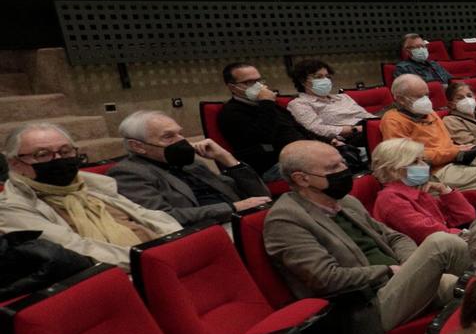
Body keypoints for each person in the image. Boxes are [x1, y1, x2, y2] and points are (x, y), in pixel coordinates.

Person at [263, 140, 471, 334]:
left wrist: (410, 266)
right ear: (302, 178)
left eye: (342, 162)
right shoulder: (286, 221)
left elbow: (395, 237)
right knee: (442, 243)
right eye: (332, 168)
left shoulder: (345, 201)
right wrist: (389, 271)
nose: (344, 170)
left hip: (398, 283)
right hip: (366, 307)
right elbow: (326, 278)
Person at [1, 123, 178, 267]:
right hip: (124, 272)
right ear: (15, 163)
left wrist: (180, 243)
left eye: (65, 151)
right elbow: (77, 249)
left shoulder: (89, 184)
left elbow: (148, 216)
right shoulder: (12, 207)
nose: (58, 159)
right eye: (43, 154)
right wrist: (155, 259)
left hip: (161, 256)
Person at [381, 75, 476, 213]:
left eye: (427, 95)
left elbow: (446, 144)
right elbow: (407, 156)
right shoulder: (392, 120)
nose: (426, 100)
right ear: (400, 99)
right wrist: (453, 151)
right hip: (433, 171)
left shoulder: (430, 114)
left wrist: (454, 150)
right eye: (419, 96)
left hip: (455, 159)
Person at [110, 109, 270, 228]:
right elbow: (163, 217)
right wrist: (233, 208)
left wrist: (226, 159)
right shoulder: (129, 173)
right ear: (138, 146)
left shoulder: (191, 164)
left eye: (180, 134)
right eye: (168, 137)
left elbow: (260, 195)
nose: (181, 141)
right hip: (207, 231)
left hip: (245, 220)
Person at [218, 61, 343, 178]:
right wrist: (266, 102)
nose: (257, 86)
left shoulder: (270, 106)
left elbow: (297, 128)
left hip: (302, 154)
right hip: (273, 164)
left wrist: (327, 141)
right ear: (233, 87)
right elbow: (264, 137)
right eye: (249, 82)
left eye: (258, 80)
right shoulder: (231, 113)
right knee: (336, 165)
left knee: (351, 154)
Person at [369, 137, 476, 242]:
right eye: (415, 161)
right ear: (393, 170)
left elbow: (467, 216)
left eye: (423, 160)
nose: (424, 165)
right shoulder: (391, 200)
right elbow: (436, 236)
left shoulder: (416, 190)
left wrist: (444, 189)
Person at [286, 60, 372, 148]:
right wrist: (355, 129)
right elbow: (315, 129)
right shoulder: (299, 104)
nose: (325, 80)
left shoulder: (343, 97)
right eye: (318, 77)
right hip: (348, 138)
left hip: (368, 127)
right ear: (302, 81)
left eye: (327, 77)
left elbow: (366, 115)